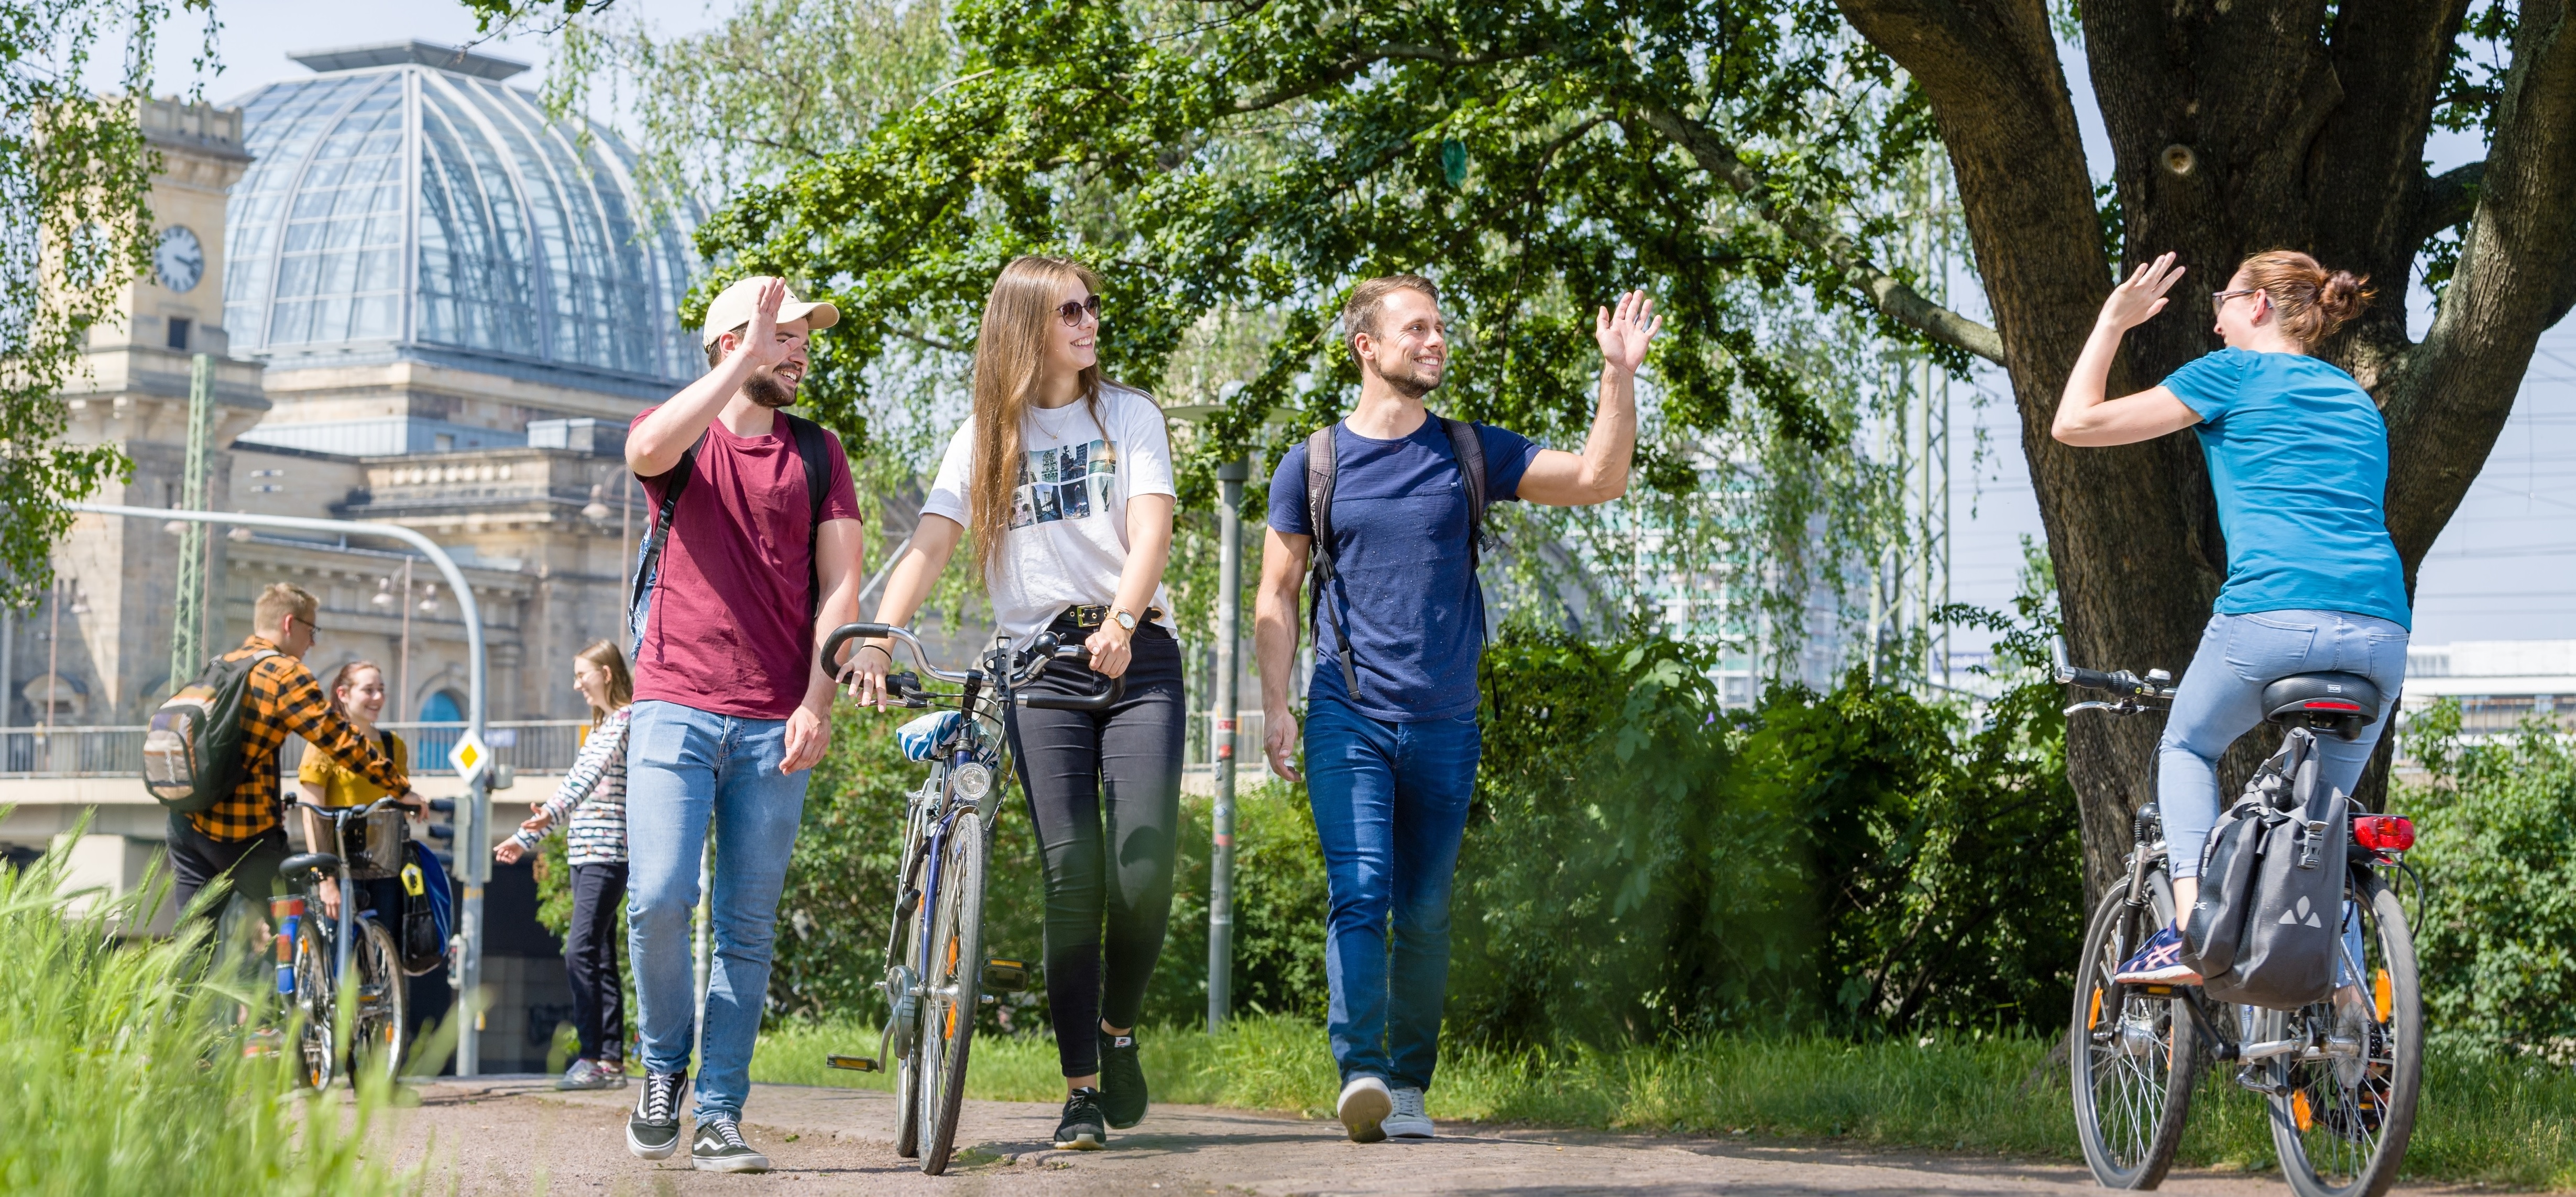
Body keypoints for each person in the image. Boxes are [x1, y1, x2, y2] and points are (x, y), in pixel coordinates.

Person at [1253, 276, 1660, 1143]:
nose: (1437, 341)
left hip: (1445, 721)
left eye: (1441, 326)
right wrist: (1274, 705)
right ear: (1367, 346)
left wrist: (1618, 376)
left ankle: (1406, 1087)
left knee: (1426, 909)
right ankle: (1360, 1071)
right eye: (1417, 328)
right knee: (1359, 892)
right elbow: (1276, 595)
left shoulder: (1471, 453)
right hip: (1347, 712)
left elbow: (1597, 479)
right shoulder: (1314, 463)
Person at [846, 255, 1182, 1152]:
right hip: (1038, 668)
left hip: (1136, 655)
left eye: (1092, 306)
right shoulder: (984, 437)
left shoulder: (1129, 415)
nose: (1089, 322)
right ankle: (1079, 1088)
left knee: (1143, 871)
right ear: (1026, 325)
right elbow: (930, 541)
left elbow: (1151, 525)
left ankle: (1118, 1031)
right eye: (1068, 310)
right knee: (1072, 879)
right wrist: (879, 631)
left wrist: (1120, 616)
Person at [2048, 249, 2403, 986]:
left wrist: (2112, 323)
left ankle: (2188, 931)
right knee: (2321, 831)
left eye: (2223, 301)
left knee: (2186, 747)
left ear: (2261, 306)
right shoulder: (2354, 399)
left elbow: (2073, 424)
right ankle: (2356, 1045)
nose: (2213, 320)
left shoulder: (2231, 376)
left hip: (2272, 618)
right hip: (2380, 631)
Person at [621, 276, 865, 1173]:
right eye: (786, 335)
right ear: (733, 344)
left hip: (774, 723)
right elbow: (645, 448)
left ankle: (719, 1110)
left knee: (746, 927)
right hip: (673, 708)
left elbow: (840, 587)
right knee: (657, 900)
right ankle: (660, 1070)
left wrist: (819, 697)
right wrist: (740, 362)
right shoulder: (682, 441)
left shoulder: (818, 453)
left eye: (805, 337)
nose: (802, 351)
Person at [168, 583, 409, 928]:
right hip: (239, 831)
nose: (312, 642)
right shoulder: (283, 672)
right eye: (312, 630)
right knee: (297, 921)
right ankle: (280, 981)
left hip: (184, 822)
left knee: (191, 943)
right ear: (289, 624)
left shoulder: (222, 665)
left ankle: (195, 984)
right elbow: (335, 736)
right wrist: (400, 787)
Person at [496, 640, 636, 1091]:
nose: (577, 685)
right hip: (586, 854)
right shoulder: (600, 728)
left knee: (580, 951)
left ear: (606, 674)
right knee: (598, 953)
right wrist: (530, 837)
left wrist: (532, 828)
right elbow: (574, 791)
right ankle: (610, 1060)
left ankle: (594, 1055)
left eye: (583, 675)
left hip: (607, 853)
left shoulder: (624, 721)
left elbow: (582, 781)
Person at [292, 660, 426, 928]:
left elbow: (397, 801)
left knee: (385, 957)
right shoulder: (323, 746)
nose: (378, 698)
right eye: (368, 690)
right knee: (339, 956)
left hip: (384, 868)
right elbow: (313, 817)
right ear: (343, 694)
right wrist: (325, 880)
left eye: (381, 689)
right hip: (339, 868)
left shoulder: (393, 746)